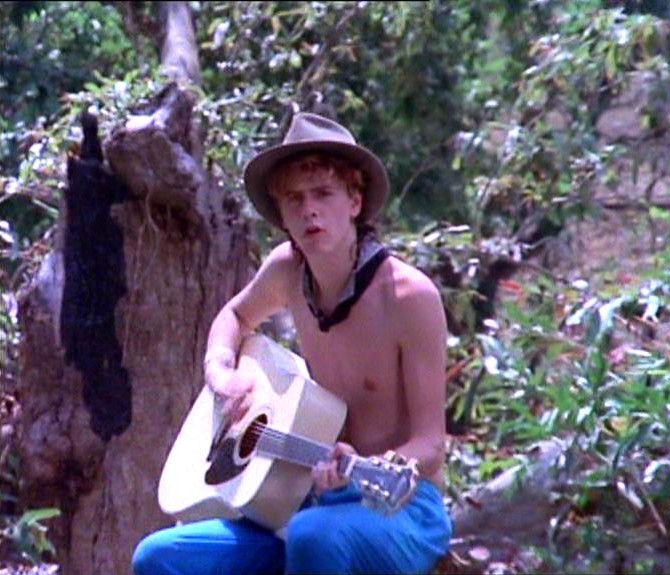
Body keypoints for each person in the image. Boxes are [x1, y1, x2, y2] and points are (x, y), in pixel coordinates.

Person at [132, 112, 452, 575]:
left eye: (323, 194)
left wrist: (364, 467)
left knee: (313, 536)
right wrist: (221, 374)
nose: (309, 211)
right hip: (304, 499)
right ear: (281, 214)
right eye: (294, 199)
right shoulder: (286, 270)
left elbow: (430, 444)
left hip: (401, 506)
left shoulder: (408, 296)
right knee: (159, 558)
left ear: (355, 201)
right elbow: (234, 317)